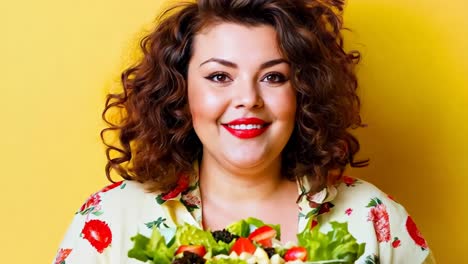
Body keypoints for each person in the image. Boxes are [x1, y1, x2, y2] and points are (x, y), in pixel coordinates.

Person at [53, 0, 435, 263]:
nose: (248, 99)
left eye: (273, 77)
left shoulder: (373, 221)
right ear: (179, 91)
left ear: (302, 91)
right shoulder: (109, 221)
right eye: (220, 76)